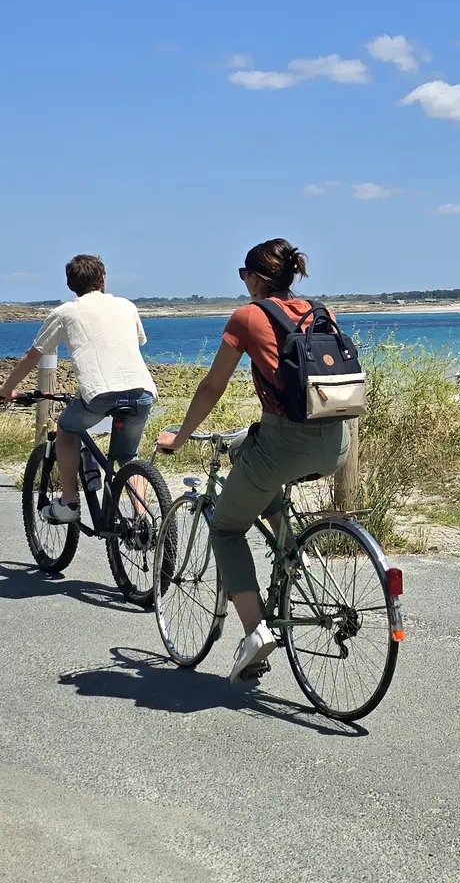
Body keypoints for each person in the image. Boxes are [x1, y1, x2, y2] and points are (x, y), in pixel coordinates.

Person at [157, 239, 350, 685]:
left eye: (243, 275)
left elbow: (211, 387)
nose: (242, 283)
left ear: (257, 278)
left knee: (225, 527)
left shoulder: (247, 316)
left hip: (285, 445)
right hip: (334, 445)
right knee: (246, 448)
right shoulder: (322, 312)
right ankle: (290, 551)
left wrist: (181, 435)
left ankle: (255, 632)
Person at [0, 255, 155, 522]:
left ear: (70, 284)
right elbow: (137, 341)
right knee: (127, 457)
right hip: (142, 391)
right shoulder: (127, 306)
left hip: (99, 393)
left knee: (67, 428)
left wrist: (7, 390)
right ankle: (143, 520)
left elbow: (32, 356)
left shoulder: (64, 313)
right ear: (103, 279)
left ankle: (69, 501)